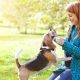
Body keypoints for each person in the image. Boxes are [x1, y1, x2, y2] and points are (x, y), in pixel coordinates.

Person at [49, 2, 80, 80]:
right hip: (65, 67)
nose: (68, 18)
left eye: (70, 15)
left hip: (75, 70)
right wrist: (55, 37)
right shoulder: (73, 28)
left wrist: (64, 44)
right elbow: (67, 45)